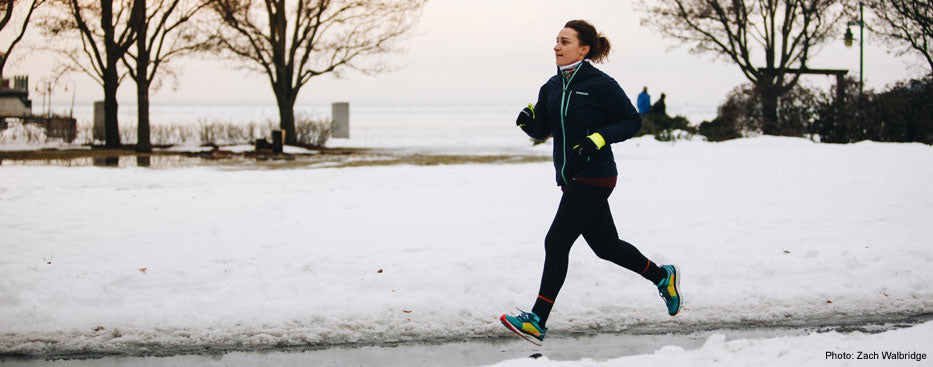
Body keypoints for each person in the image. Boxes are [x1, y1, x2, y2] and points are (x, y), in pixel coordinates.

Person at [500, 20, 682, 346]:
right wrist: (528, 124)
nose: (556, 46)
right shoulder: (551, 88)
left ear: (583, 49)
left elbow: (632, 121)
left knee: (556, 242)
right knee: (606, 247)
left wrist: (599, 137)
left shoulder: (599, 84)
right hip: (572, 179)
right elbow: (543, 130)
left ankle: (537, 320)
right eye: (556, 40)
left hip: (596, 174)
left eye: (564, 41)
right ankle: (662, 276)